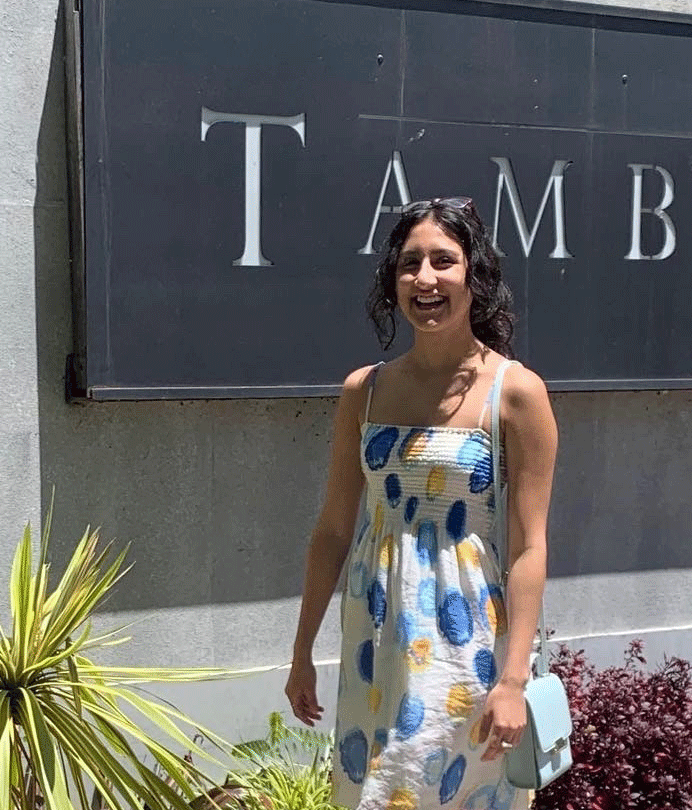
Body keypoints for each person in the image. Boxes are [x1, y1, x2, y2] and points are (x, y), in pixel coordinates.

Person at [285, 197, 557, 810]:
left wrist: (514, 679)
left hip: (466, 641)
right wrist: (302, 652)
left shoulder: (516, 394)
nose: (425, 279)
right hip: (374, 634)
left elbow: (529, 547)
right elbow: (333, 529)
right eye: (410, 263)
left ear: (475, 275)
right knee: (372, 787)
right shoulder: (365, 391)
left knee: (431, 788)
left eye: (444, 261)